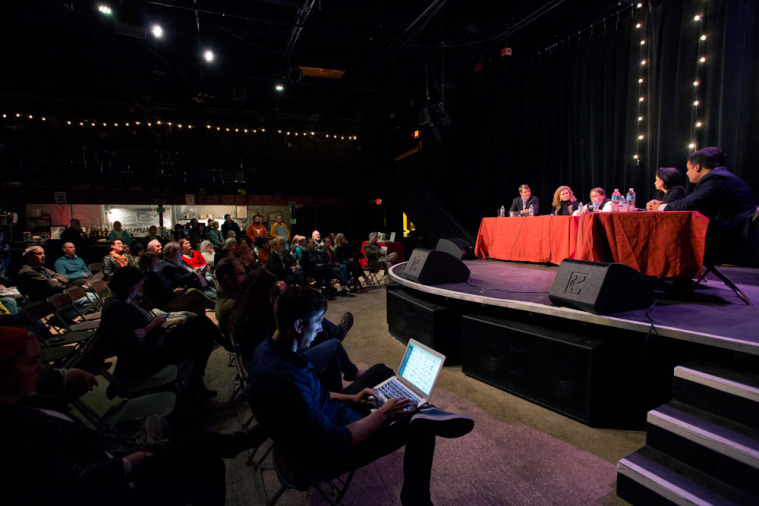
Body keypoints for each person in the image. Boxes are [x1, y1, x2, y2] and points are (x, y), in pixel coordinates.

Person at [246, 286, 474, 506]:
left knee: (381, 372)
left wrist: (352, 399)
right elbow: (338, 440)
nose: (319, 330)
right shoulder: (286, 381)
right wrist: (383, 415)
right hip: (326, 455)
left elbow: (315, 394)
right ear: (297, 325)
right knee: (421, 428)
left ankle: (420, 407)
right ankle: (416, 499)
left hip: (330, 415)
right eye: (317, 322)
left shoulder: (271, 350)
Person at [0, 325, 264, 505]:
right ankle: (247, 439)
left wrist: (69, 373)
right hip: (111, 484)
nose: (40, 367)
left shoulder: (22, 394)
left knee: (196, 441)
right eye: (31, 363)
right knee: (205, 462)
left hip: (110, 454)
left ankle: (242, 440)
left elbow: (46, 378)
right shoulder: (15, 434)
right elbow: (72, 485)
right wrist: (130, 461)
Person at [98, 266, 217, 399]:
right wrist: (152, 326)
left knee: (199, 328)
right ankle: (197, 381)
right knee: (200, 327)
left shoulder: (121, 301)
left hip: (152, 344)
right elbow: (128, 341)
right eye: (138, 286)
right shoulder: (115, 307)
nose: (139, 290)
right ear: (126, 286)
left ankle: (196, 382)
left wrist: (162, 328)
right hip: (144, 358)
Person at [658, 147, 756, 262]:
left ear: (697, 167)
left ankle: (666, 277)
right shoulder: (722, 176)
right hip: (733, 232)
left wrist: (661, 207)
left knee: (666, 238)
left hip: (728, 238)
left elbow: (690, 203)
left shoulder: (716, 178)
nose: (687, 173)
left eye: (688, 169)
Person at [137, 252, 214, 316]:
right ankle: (212, 304)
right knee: (193, 292)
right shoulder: (149, 279)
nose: (159, 265)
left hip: (170, 297)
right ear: (148, 265)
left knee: (196, 302)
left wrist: (174, 290)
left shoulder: (157, 273)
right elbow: (160, 297)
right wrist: (173, 293)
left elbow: (167, 286)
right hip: (165, 305)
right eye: (156, 263)